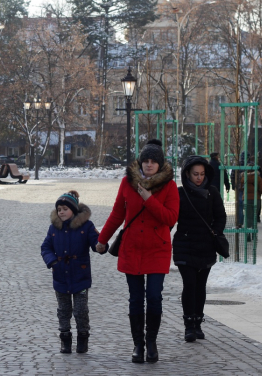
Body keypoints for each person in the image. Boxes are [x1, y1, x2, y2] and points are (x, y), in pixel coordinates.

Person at [95, 139, 179, 364]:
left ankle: (151, 342)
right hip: (132, 248)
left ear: (160, 165)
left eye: (153, 162)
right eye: (146, 161)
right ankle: (138, 345)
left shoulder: (169, 186)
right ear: (140, 162)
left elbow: (170, 217)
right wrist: (102, 240)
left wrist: (149, 199)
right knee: (135, 299)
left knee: (154, 297)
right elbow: (116, 215)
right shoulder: (127, 183)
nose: (149, 165)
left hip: (157, 249)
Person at [41, 190, 106, 354]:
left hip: (80, 275)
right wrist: (53, 261)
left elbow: (96, 243)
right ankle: (65, 338)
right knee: (63, 310)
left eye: (65, 209)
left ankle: (83, 337)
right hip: (60, 275)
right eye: (59, 209)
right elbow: (46, 247)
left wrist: (100, 246)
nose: (61, 212)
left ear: (74, 210)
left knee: (80, 309)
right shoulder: (54, 228)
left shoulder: (86, 226)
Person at [173, 156, 226, 342]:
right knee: (189, 284)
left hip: (206, 246)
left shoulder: (212, 192)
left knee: (200, 286)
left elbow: (221, 216)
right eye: (195, 174)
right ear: (187, 173)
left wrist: (216, 231)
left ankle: (198, 323)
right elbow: (170, 217)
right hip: (184, 245)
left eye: (202, 174)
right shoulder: (179, 193)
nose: (199, 178)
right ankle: (189, 325)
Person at [237, 163, 262, 230]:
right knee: (254, 217)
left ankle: (248, 235)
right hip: (256, 198)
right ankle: (254, 234)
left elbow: (240, 188)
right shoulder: (258, 178)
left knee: (248, 217)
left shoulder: (243, 178)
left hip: (246, 198)